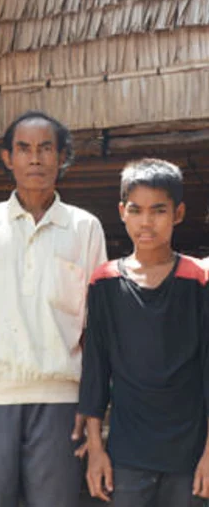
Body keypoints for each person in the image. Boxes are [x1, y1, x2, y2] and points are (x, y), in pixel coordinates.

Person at [0, 110, 107, 507]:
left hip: (61, 398)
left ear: (62, 157)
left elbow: (93, 329)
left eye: (45, 149)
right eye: (24, 149)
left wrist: (91, 410)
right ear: (8, 158)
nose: (35, 158)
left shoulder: (85, 228)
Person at [79, 158, 209, 506]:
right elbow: (95, 369)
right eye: (136, 210)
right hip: (128, 456)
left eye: (159, 211)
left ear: (178, 213)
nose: (146, 222)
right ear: (122, 211)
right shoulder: (105, 281)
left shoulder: (199, 280)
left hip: (190, 456)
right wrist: (96, 449)